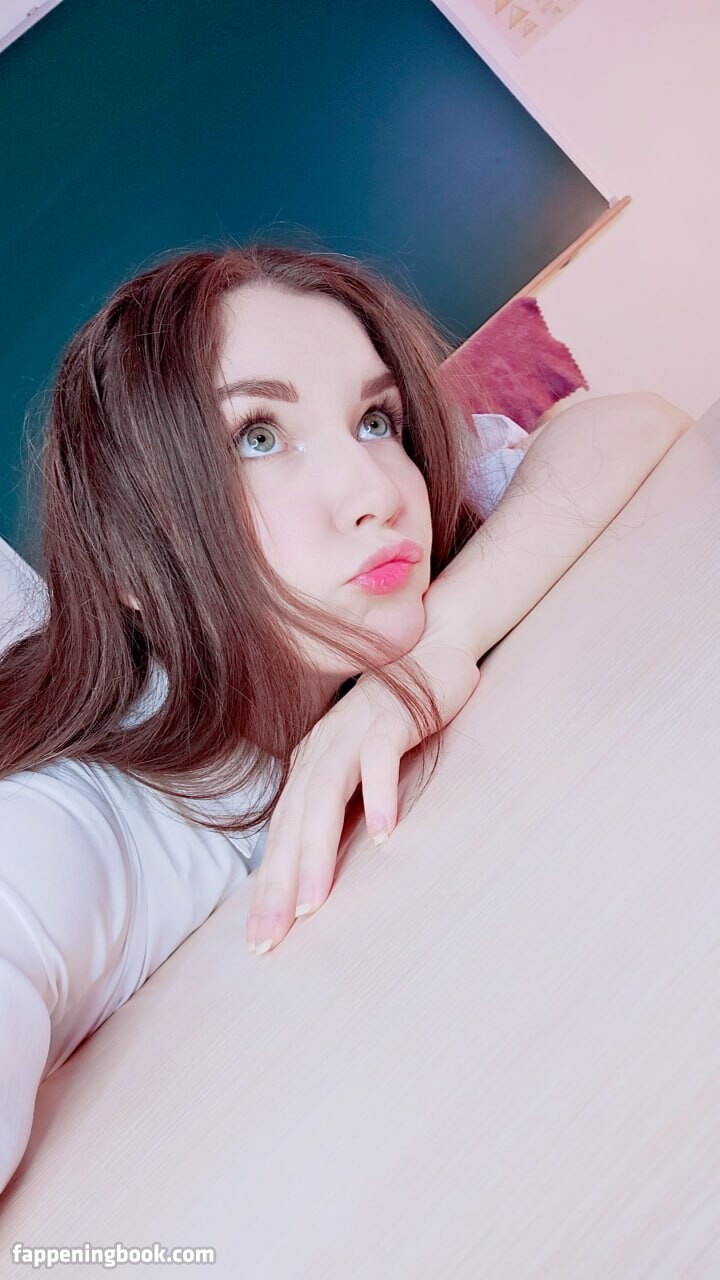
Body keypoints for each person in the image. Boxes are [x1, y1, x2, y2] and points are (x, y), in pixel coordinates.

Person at [0, 241, 692, 1195]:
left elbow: (626, 424)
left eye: (375, 419)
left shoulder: (396, 572)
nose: (376, 492)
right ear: (130, 560)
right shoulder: (83, 819)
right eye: (258, 436)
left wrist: (433, 654)